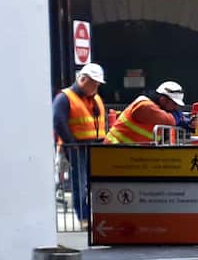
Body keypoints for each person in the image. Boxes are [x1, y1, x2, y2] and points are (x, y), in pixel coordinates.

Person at [52, 63, 107, 230]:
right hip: (79, 148)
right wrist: (72, 145)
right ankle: (84, 218)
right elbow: (59, 122)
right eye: (94, 83)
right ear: (83, 79)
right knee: (80, 184)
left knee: (95, 184)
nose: (96, 87)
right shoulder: (65, 97)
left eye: (98, 84)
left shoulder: (95, 98)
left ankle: (97, 216)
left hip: (96, 146)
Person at [105, 81, 190, 145]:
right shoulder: (145, 106)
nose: (176, 108)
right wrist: (179, 115)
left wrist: (187, 123)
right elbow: (169, 120)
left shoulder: (157, 109)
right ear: (163, 100)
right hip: (114, 150)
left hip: (127, 153)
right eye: (174, 104)